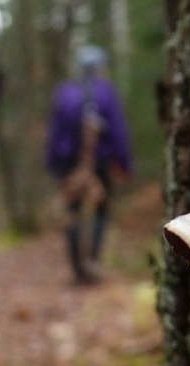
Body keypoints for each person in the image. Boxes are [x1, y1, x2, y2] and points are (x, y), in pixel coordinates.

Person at [46, 44, 133, 284]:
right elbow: (118, 131)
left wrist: (53, 163)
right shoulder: (106, 92)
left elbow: (55, 132)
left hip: (67, 163)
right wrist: (124, 163)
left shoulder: (65, 92)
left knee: (72, 211)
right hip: (99, 161)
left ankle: (77, 266)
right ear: (98, 68)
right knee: (101, 210)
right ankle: (92, 260)